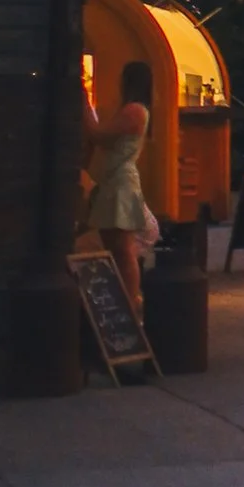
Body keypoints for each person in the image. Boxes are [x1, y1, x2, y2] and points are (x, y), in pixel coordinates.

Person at [82, 82, 152, 315]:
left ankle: (131, 303)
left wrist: (84, 102)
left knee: (123, 248)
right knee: (115, 246)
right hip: (114, 182)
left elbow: (98, 134)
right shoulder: (135, 110)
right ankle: (127, 300)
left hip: (121, 183)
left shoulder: (134, 110)